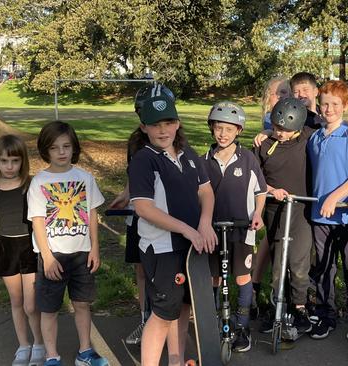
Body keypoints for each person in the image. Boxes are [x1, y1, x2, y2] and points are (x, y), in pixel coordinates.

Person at [128, 94, 216, 366]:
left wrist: (204, 223)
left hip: (192, 247)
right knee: (164, 312)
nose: (162, 130)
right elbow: (144, 208)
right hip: (163, 248)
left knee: (183, 307)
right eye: (155, 124)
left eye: (168, 122)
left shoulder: (188, 154)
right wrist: (187, 230)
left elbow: (206, 191)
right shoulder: (144, 159)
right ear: (144, 127)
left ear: (177, 123)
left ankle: (176, 361)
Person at [27, 121, 108, 366]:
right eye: (54, 148)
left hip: (82, 254)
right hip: (54, 256)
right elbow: (38, 222)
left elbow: (92, 214)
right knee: (49, 309)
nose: (61, 152)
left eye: (66, 146)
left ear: (74, 148)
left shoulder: (85, 178)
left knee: (82, 304)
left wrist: (95, 247)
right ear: (45, 150)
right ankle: (52, 356)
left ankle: (85, 351)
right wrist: (48, 256)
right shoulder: (39, 182)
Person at [109, 83, 176, 346]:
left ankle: (164, 318)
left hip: (164, 215)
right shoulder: (135, 141)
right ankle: (144, 317)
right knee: (141, 269)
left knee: (164, 271)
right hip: (138, 214)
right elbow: (133, 178)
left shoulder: (173, 142)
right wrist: (125, 195)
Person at [200, 101, 267, 352]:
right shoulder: (203, 160)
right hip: (212, 230)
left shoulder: (247, 158)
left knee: (241, 277)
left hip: (242, 229)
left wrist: (258, 214)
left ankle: (241, 326)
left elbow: (260, 191)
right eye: (218, 128)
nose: (223, 134)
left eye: (229, 129)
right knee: (214, 278)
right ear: (212, 129)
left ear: (238, 130)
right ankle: (215, 322)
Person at [306, 80, 348, 340]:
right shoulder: (315, 137)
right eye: (324, 104)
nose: (328, 109)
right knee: (324, 268)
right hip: (320, 216)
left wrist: (334, 197)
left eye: (335, 104)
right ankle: (326, 315)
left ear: (345, 106)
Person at [254, 97, 316, 335]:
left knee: (298, 262)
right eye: (276, 127)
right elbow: (256, 178)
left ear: (298, 128)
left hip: (300, 209)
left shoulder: (307, 138)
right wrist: (271, 191)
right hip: (274, 209)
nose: (279, 133)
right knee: (279, 262)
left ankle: (299, 306)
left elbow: (330, 130)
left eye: (285, 130)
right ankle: (277, 303)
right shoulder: (264, 144)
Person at [0, 135, 45, 365]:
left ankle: (39, 344)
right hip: (6, 248)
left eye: (14, 161)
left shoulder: (30, 185)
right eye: (4, 161)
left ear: (22, 161)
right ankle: (23, 345)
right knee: (16, 301)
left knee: (30, 304)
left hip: (29, 247)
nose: (9, 166)